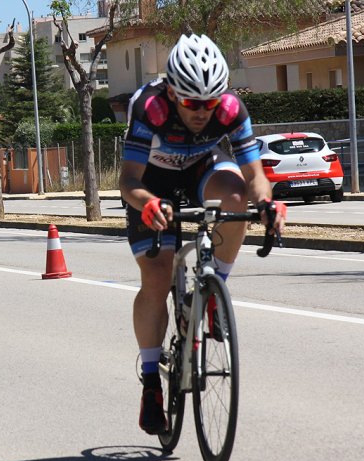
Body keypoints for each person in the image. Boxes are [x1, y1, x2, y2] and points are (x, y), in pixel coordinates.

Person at [119, 33, 287, 435]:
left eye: (209, 103)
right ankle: (149, 381)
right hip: (152, 182)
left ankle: (214, 294)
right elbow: (128, 181)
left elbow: (256, 176)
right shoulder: (150, 108)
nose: (201, 112)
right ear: (173, 93)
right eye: (193, 104)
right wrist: (148, 204)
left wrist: (267, 203)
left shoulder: (230, 109)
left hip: (202, 169)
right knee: (157, 278)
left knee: (236, 196)